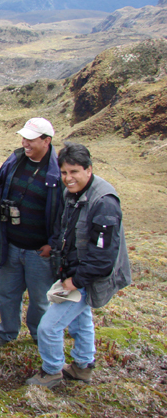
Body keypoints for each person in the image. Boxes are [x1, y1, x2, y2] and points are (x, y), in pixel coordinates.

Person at [27, 142, 131, 388]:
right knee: (80, 319)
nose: (68, 178)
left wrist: (75, 281)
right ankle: (83, 367)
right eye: (64, 172)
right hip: (75, 270)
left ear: (88, 170)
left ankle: (51, 372)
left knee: (48, 327)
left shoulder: (104, 203)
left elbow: (103, 257)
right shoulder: (72, 193)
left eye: (74, 172)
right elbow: (68, 232)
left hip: (88, 276)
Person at [0, 118, 64, 347]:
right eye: (23, 138)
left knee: (40, 300)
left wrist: (52, 244)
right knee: (6, 293)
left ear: (46, 141)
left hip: (39, 251)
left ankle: (38, 335)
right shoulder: (15, 160)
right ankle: (7, 333)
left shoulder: (58, 173)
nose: (25, 143)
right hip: (11, 244)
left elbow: (64, 214)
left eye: (30, 140)